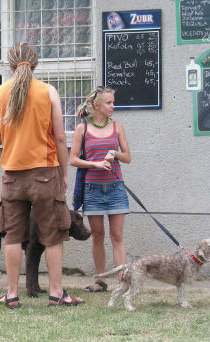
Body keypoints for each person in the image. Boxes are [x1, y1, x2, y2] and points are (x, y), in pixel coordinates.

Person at [0, 42, 84, 308]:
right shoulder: (47, 91)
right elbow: (61, 137)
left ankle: (11, 294)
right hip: (45, 172)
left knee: (13, 237)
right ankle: (56, 294)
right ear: (36, 63)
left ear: (9, 65)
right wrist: (64, 173)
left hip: (11, 176)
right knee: (52, 236)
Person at [69, 86, 131, 292]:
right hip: (92, 189)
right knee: (97, 235)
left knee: (117, 236)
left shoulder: (117, 127)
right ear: (97, 105)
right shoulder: (82, 129)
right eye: (109, 103)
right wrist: (95, 163)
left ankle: (122, 281)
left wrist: (113, 152)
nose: (113, 106)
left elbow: (128, 157)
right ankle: (100, 281)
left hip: (116, 188)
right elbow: (73, 159)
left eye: (113, 102)